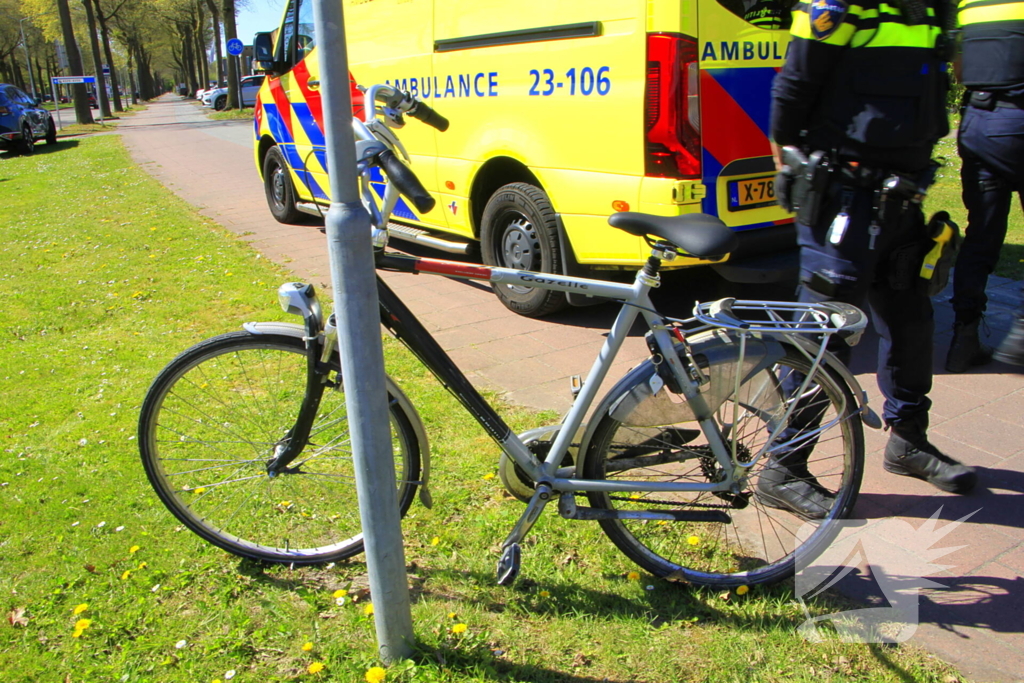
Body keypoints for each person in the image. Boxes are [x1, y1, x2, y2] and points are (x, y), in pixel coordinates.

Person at [761, 0, 976, 519]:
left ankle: (908, 441)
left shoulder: (931, 9)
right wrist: (790, 167)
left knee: (911, 320)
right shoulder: (841, 6)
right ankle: (782, 467)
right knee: (823, 334)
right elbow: (792, 90)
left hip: (901, 200)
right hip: (841, 196)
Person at [945, 0, 1024, 372]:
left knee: (981, 236)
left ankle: (964, 337)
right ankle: (1022, 335)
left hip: (978, 125)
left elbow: (960, 68)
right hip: (1019, 120)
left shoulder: (969, 4)